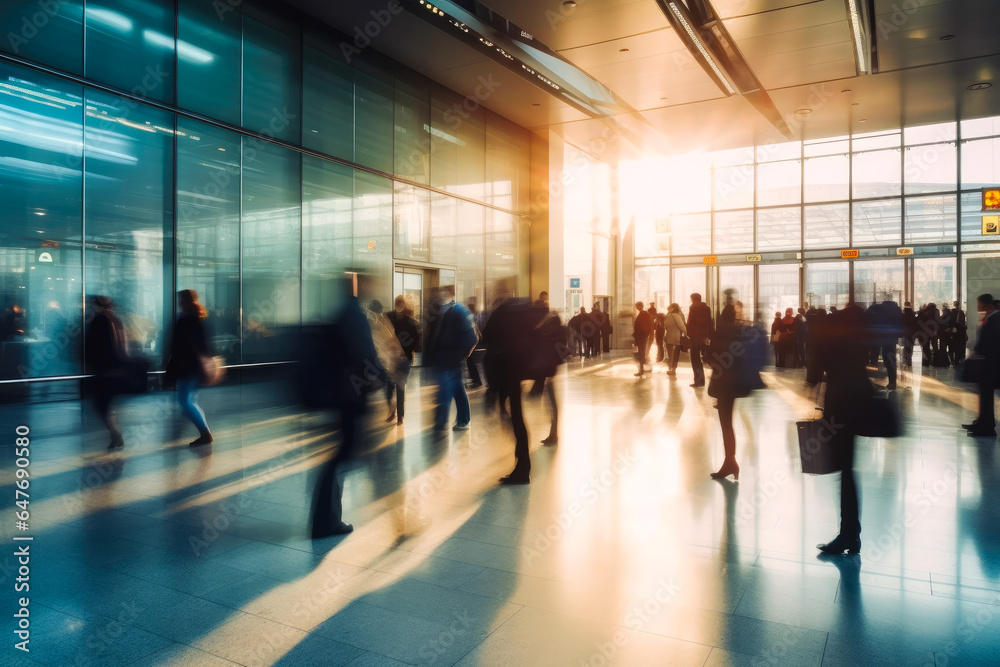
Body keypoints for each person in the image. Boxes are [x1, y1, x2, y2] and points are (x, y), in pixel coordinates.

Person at [310, 275, 386, 537]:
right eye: (371, 284)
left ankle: (326, 519)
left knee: (344, 453)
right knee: (345, 453)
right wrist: (382, 376)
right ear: (359, 287)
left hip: (342, 394)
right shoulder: (354, 314)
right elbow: (365, 353)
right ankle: (325, 520)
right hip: (351, 396)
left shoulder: (340, 312)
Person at [816, 303, 874, 555]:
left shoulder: (838, 338)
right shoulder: (860, 336)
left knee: (845, 470)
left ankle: (849, 534)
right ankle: (851, 533)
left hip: (841, 406)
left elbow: (824, 363)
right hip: (856, 404)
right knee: (847, 470)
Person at [706, 290, 765, 481]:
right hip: (739, 381)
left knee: (725, 422)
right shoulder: (743, 330)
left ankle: (730, 461)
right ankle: (730, 462)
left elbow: (710, 357)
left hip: (724, 382)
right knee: (728, 422)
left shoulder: (722, 330)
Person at [483, 295, 536, 484]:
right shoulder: (520, 312)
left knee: (514, 418)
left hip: (505, 372)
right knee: (516, 417)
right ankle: (522, 459)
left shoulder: (502, 312)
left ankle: (522, 465)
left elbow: (487, 337)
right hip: (516, 371)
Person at [424, 284, 478, 435]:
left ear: (451, 294)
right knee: (457, 389)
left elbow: (472, 337)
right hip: (443, 360)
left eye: (444, 292)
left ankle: (441, 423)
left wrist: (458, 356)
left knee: (445, 390)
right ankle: (463, 420)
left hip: (450, 361)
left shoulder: (458, 311)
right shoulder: (440, 313)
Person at [164, 289, 215, 447]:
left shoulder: (185, 319)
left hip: (188, 366)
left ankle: (205, 433)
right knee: (189, 400)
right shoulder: (199, 317)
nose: (178, 302)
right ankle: (202, 430)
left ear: (184, 301)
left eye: (180, 299)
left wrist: (169, 363)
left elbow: (178, 345)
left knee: (185, 401)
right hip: (196, 366)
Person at [84, 296, 128, 449]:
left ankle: (116, 435)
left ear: (97, 305)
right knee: (106, 404)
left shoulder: (99, 320)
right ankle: (115, 435)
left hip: (104, 368)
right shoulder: (115, 319)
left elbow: (94, 344)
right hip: (114, 367)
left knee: (101, 404)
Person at [963, 294, 1000, 437]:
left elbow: (990, 343)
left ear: (985, 305)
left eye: (978, 304)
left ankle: (987, 427)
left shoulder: (994, 320)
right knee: (984, 396)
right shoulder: (991, 318)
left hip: (990, 365)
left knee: (986, 396)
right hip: (988, 364)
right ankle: (982, 422)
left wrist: (978, 351)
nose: (977, 307)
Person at [385, 295, 421, 425]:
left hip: (403, 359)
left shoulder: (411, 322)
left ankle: (399, 416)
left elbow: (417, 343)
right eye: (397, 303)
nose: (399, 305)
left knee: (399, 386)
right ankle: (393, 411)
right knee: (389, 386)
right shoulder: (388, 317)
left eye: (401, 303)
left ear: (404, 304)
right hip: (391, 359)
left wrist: (406, 349)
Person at [687, 294, 713, 387]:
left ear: (693, 299)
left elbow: (690, 322)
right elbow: (709, 322)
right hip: (704, 337)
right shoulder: (707, 308)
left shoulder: (693, 307)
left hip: (695, 337)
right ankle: (714, 375)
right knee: (707, 358)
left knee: (695, 359)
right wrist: (709, 335)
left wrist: (688, 334)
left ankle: (699, 381)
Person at [663, 303, 687, 376]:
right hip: (676, 337)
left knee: (671, 354)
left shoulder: (670, 315)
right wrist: (685, 333)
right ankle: (672, 369)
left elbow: (666, 326)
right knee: (675, 355)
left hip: (670, 337)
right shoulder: (677, 315)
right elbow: (682, 326)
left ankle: (672, 369)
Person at [465, 298, 484, 388]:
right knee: (470, 361)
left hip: (472, 341)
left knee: (469, 360)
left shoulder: (470, 317)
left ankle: (477, 380)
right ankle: (476, 380)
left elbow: (474, 330)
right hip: (474, 340)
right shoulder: (474, 316)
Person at [633, 302, 653, 378]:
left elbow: (646, 326)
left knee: (641, 353)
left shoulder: (644, 314)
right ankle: (641, 370)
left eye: (638, 306)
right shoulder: (643, 314)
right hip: (641, 336)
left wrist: (644, 335)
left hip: (641, 337)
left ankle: (641, 371)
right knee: (641, 353)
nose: (637, 307)